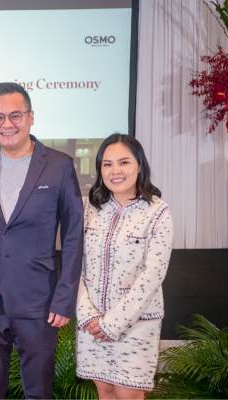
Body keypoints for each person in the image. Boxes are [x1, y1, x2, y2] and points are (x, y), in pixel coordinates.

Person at [0, 82, 84, 398]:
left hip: (38, 299)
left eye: (15, 116)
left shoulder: (59, 165)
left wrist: (65, 297)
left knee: (38, 392)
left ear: (31, 117)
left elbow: (74, 234)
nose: (6, 124)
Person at [76, 133, 173, 399]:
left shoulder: (157, 211)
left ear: (139, 165)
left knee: (129, 395)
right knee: (105, 392)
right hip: (93, 324)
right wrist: (87, 315)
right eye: (107, 164)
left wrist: (114, 323)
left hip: (135, 325)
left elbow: (153, 274)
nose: (115, 171)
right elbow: (76, 265)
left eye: (124, 162)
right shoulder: (88, 209)